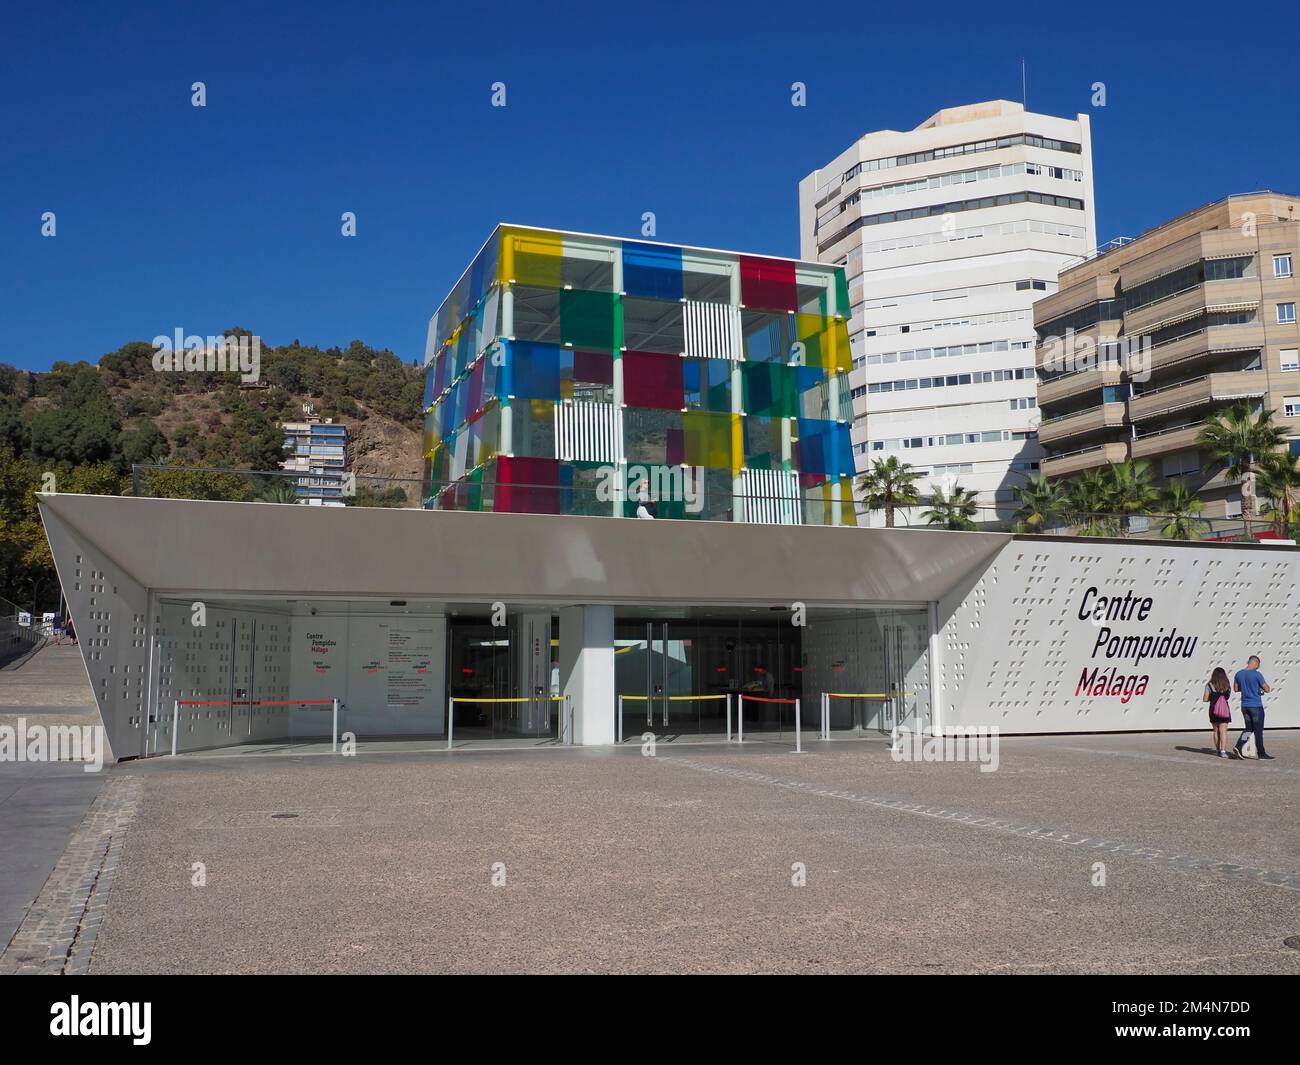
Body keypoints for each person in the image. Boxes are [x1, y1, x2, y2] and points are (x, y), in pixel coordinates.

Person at [1232, 655, 1273, 760]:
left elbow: (1236, 689)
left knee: (1248, 729)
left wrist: (1246, 688)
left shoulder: (1238, 674)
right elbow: (1267, 689)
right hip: (1256, 706)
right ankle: (1261, 753)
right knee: (1258, 730)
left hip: (1245, 706)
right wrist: (1262, 689)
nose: (1258, 667)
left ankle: (1239, 745)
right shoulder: (1257, 674)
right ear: (1255, 662)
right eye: (1258, 664)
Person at [1202, 667, 1232, 757]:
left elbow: (1205, 699)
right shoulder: (1227, 685)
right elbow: (1227, 697)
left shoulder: (1209, 685)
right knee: (1223, 731)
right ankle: (1223, 751)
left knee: (1216, 731)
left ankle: (1218, 750)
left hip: (1213, 709)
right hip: (1224, 710)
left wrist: (1213, 698)